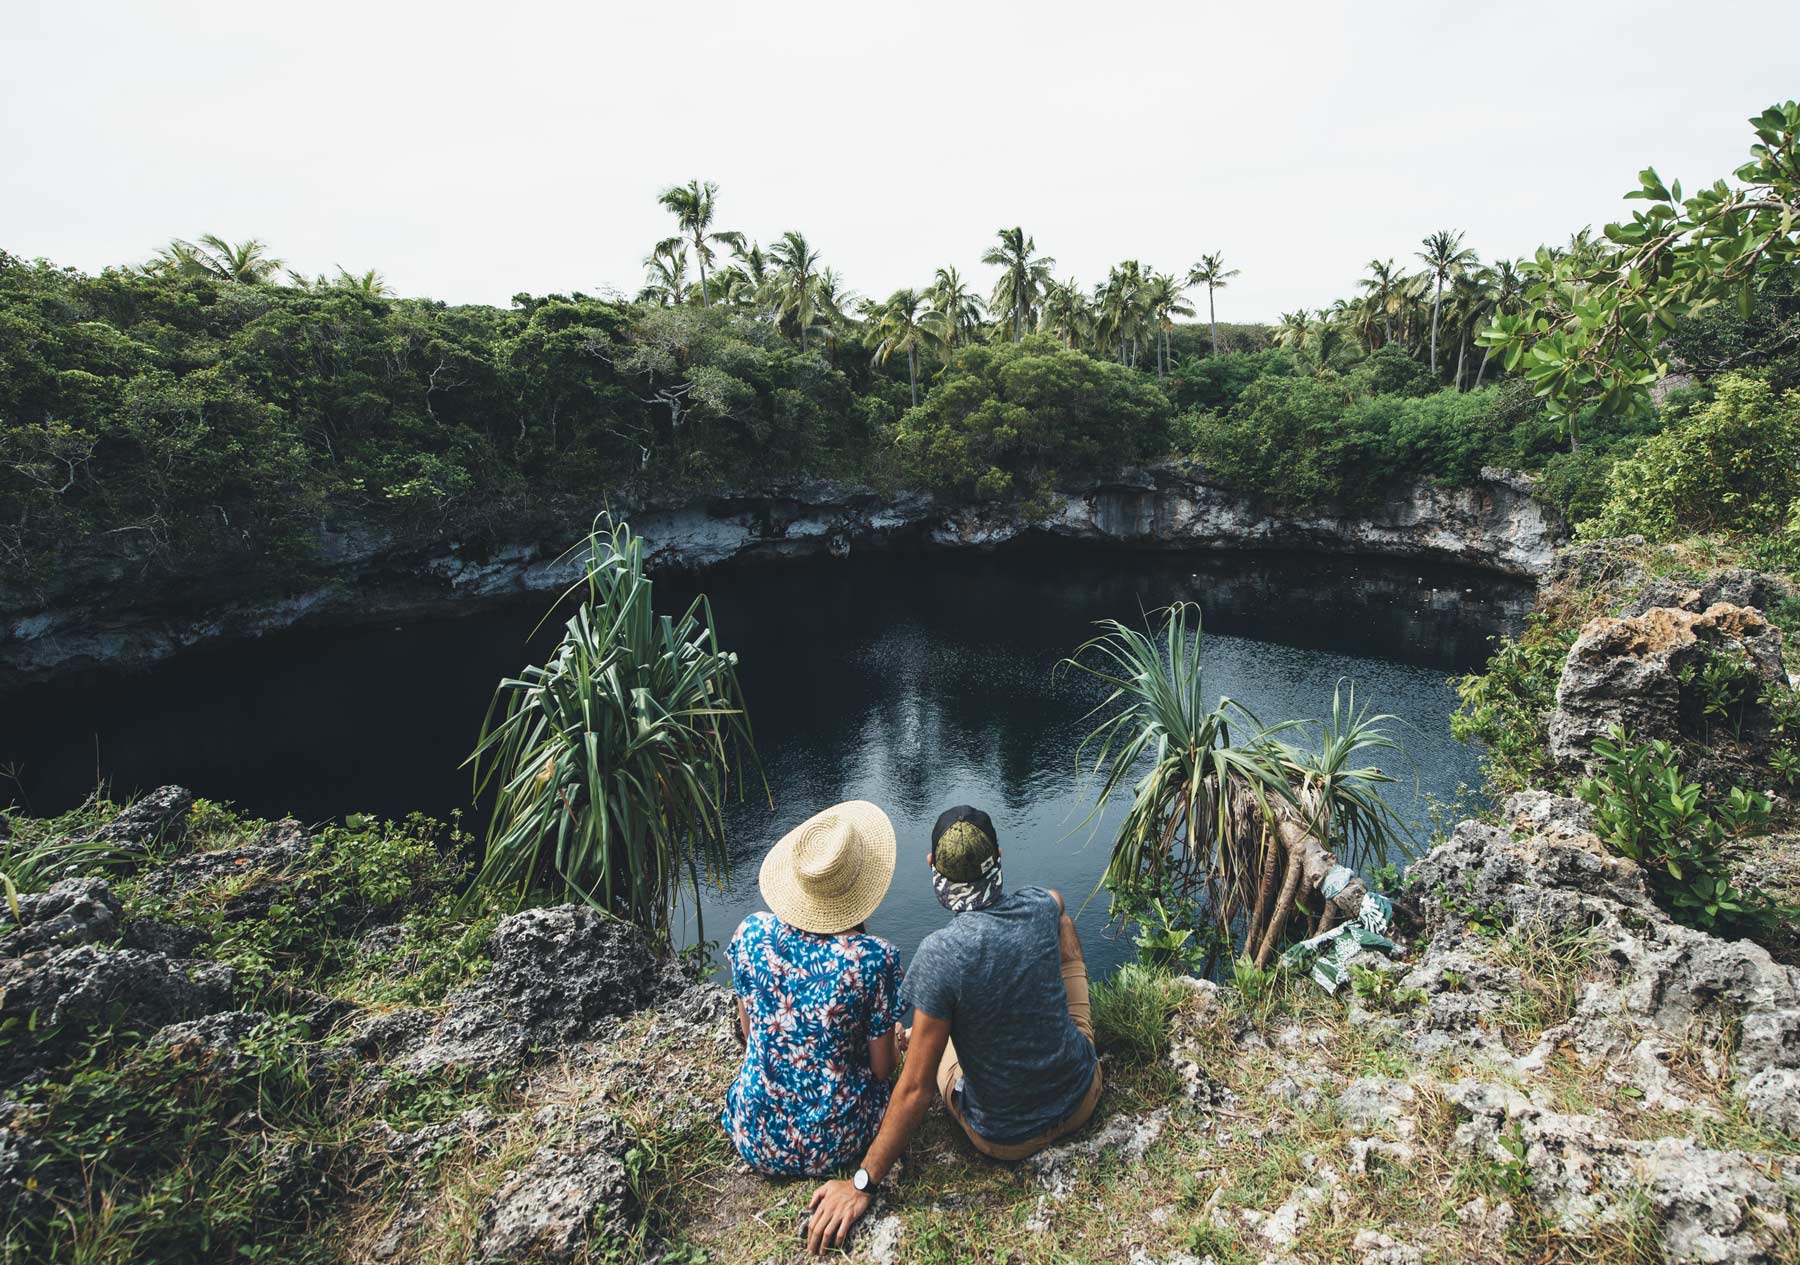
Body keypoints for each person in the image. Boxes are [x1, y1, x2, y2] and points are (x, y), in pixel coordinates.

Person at [805, 805, 1100, 1253]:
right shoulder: (1039, 906)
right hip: (1082, 1097)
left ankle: (914, 1041)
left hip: (1004, 1137)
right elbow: (1056, 900)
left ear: (932, 868)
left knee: (927, 1040)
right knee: (1064, 923)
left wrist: (861, 1183)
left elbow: (914, 1090)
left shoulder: (939, 953)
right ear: (998, 855)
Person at [721, 800, 906, 1178]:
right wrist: (897, 1046)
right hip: (834, 1143)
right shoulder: (871, 959)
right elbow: (883, 1069)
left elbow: (748, 1032)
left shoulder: (752, 933)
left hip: (755, 1134)